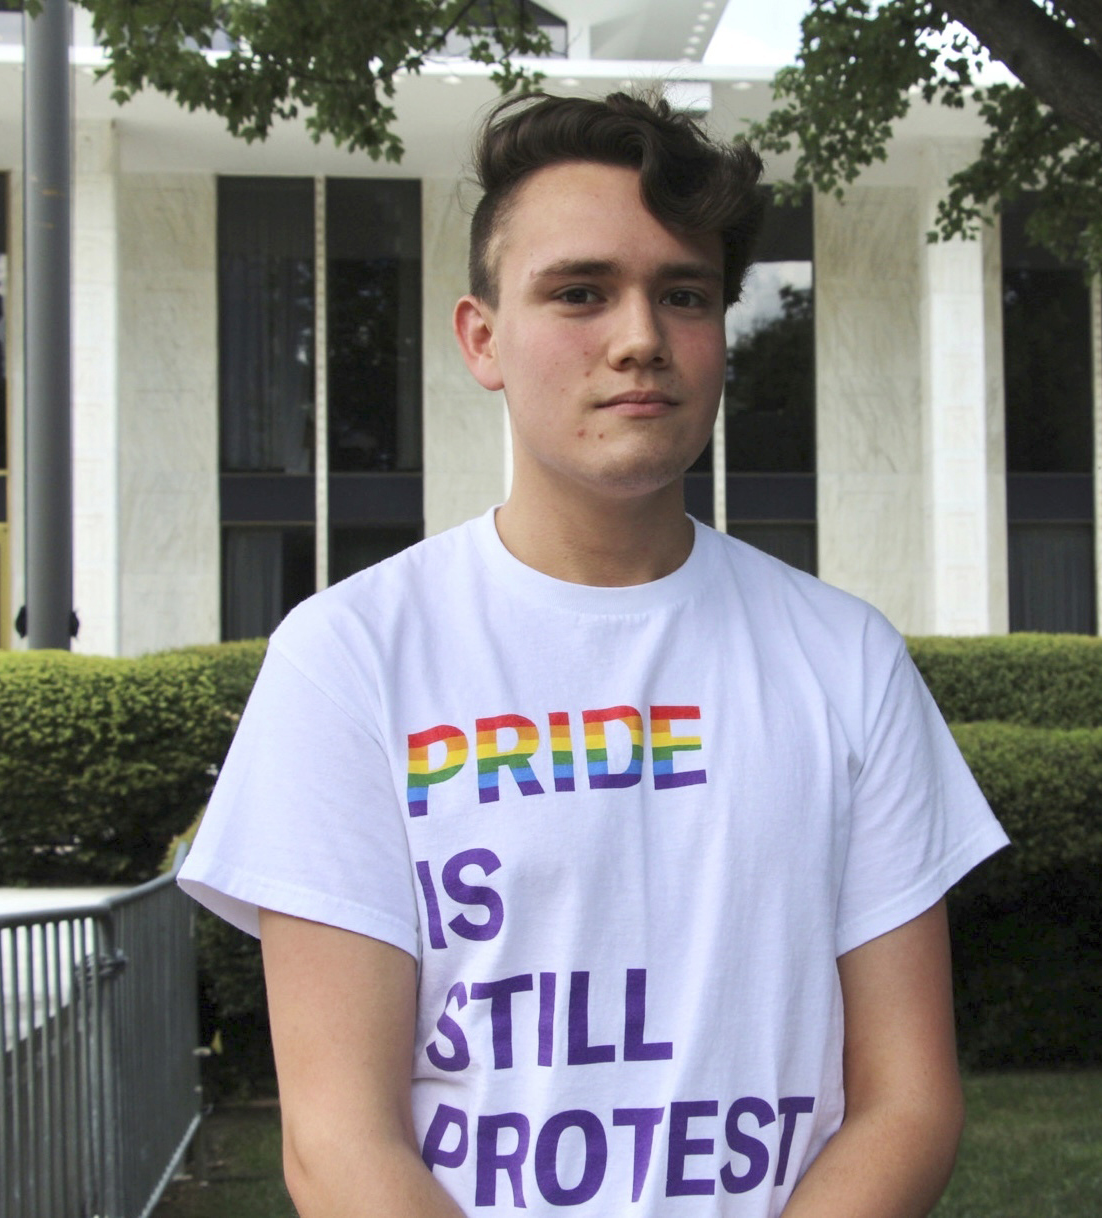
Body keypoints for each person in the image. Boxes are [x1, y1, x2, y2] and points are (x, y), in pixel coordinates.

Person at [180, 90, 1008, 1218]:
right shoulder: (352, 657)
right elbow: (337, 1144)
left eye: (685, 295)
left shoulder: (845, 660)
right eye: (579, 292)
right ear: (482, 338)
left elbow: (907, 1102)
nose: (639, 340)